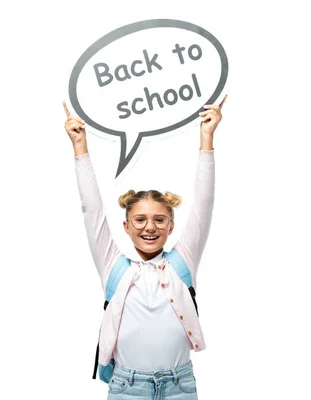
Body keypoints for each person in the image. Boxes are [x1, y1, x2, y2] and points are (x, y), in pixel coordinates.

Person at [62, 96, 226, 399]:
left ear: (171, 226)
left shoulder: (182, 263)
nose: (150, 227)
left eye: (159, 220)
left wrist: (207, 137)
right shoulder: (114, 265)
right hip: (128, 387)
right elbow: (92, 209)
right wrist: (80, 147)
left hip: (179, 386)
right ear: (126, 226)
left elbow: (204, 204)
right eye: (140, 220)